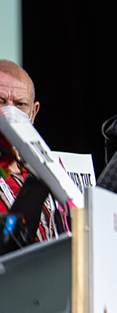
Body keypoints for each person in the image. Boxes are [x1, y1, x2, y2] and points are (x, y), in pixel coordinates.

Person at [0, 59, 68, 244]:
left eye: (20, 104)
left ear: (33, 113)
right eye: (1, 101)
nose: (9, 112)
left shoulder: (45, 171)